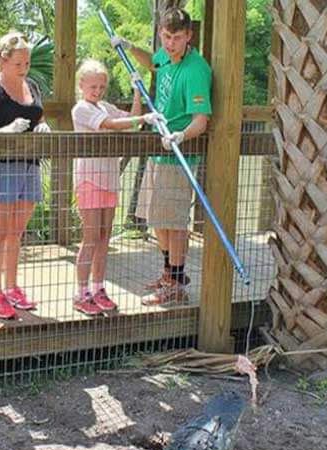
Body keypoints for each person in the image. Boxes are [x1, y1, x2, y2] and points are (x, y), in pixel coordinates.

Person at [111, 8, 212, 306]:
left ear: (189, 36)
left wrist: (181, 135)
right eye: (166, 37)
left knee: (174, 222)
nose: (170, 44)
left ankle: (176, 282)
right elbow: (153, 63)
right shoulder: (166, 56)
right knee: (158, 219)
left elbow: (201, 120)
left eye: (177, 38)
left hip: (178, 154)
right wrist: (129, 47)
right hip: (159, 154)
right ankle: (170, 274)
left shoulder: (195, 69)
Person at [70, 59, 154, 315]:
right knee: (91, 236)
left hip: (109, 179)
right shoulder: (81, 109)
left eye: (102, 87)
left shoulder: (104, 106)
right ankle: (81, 292)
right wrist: (143, 116)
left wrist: (138, 91)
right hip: (89, 179)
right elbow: (111, 124)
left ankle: (98, 287)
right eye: (93, 86)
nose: (97, 91)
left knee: (105, 237)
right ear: (82, 85)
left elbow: (132, 121)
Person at [0, 32, 49, 320]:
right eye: (19, 63)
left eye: (27, 63)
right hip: (1, 166)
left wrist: (44, 127)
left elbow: (39, 117)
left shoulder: (31, 85)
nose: (24, 68)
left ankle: (12, 286)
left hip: (30, 165)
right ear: (3, 60)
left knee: (16, 232)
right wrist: (9, 131)